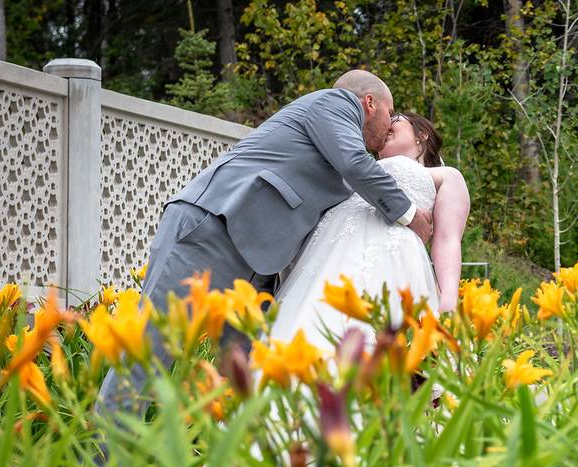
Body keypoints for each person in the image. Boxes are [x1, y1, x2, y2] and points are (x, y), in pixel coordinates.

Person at [96, 70, 434, 417]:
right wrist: (409, 212)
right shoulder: (334, 103)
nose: (389, 124)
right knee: (147, 353)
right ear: (369, 103)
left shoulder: (333, 150)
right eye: (389, 114)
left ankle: (221, 464)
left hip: (253, 265)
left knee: (243, 379)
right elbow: (354, 164)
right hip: (211, 230)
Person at [269, 112, 470, 352]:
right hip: (330, 259)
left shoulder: (444, 175)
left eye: (395, 119)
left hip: (391, 262)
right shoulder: (360, 168)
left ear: (421, 135)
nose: (387, 123)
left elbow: (447, 240)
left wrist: (448, 297)